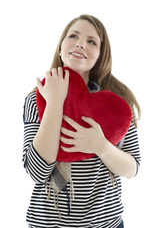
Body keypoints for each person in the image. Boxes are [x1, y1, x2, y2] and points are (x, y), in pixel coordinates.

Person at [23, 14, 141, 228]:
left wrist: (100, 146)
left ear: (100, 55)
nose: (80, 43)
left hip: (106, 224)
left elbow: (132, 168)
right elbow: (37, 171)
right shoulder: (36, 98)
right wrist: (55, 102)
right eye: (73, 36)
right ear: (60, 48)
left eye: (91, 41)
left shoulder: (118, 102)